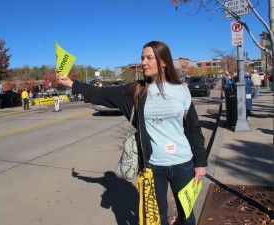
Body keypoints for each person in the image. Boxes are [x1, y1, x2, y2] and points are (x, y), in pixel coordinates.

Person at [57, 41, 207, 225]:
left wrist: (200, 162)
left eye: (149, 57)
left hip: (183, 164)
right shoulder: (136, 90)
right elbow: (100, 93)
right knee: (156, 219)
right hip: (153, 168)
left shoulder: (181, 90)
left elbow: (194, 128)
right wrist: (72, 84)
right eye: (142, 58)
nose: (143, 62)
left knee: (187, 216)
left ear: (163, 62)